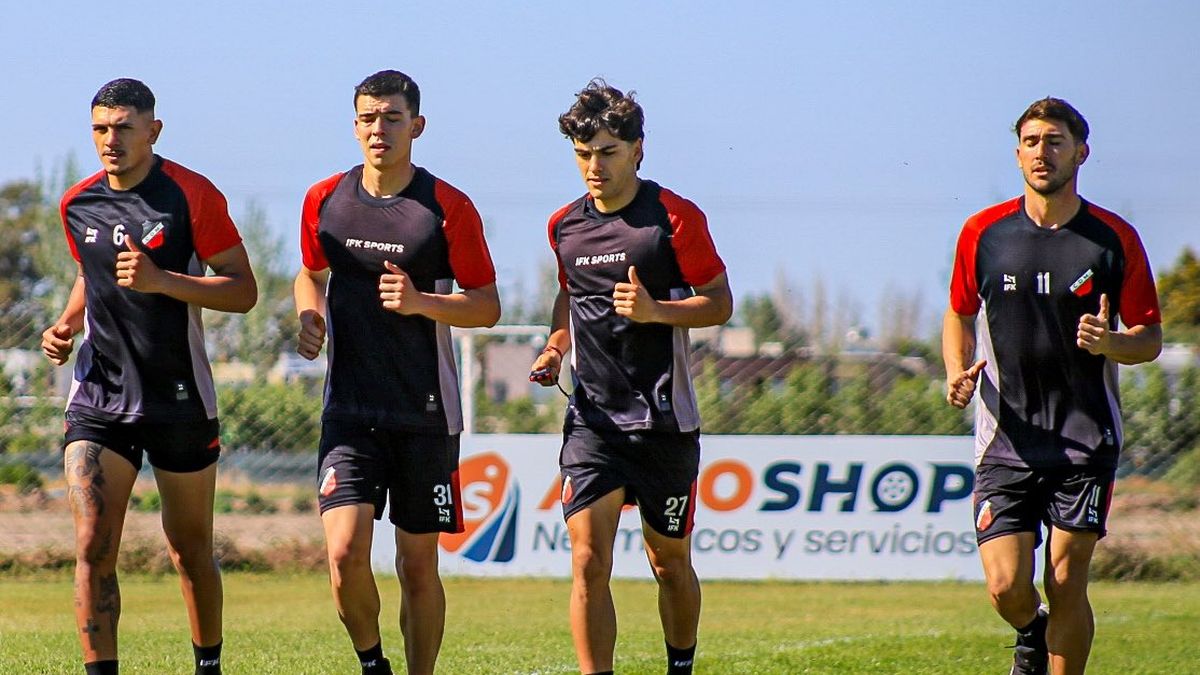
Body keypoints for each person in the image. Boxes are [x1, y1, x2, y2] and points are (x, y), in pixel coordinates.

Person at [41, 78, 257, 675]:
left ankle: (208, 663)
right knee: (92, 545)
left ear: (153, 131)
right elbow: (92, 273)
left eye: (124, 128)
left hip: (178, 397)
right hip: (99, 396)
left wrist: (166, 281)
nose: (110, 141)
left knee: (189, 551)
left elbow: (244, 290)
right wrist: (64, 324)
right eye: (100, 129)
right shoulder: (77, 203)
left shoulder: (190, 197)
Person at [943, 98, 1162, 675]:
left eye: (1056, 140)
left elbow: (1148, 338)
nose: (1044, 152)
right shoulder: (981, 233)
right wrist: (955, 368)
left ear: (1081, 153)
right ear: (1017, 154)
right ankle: (1031, 632)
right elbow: (958, 312)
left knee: (1066, 579)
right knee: (1005, 587)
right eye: (1033, 141)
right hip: (1005, 438)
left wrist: (1110, 342)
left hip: (1084, 438)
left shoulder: (1113, 238)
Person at [293, 69, 500, 675]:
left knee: (416, 568)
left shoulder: (446, 207)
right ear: (354, 125)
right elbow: (310, 271)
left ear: (417, 125)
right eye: (366, 117)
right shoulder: (325, 198)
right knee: (343, 555)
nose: (377, 129)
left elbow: (486, 305)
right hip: (349, 412)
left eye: (390, 117)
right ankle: (372, 662)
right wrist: (310, 315)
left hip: (425, 414)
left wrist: (421, 303)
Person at [530, 79, 732, 675]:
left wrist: (656, 312)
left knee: (667, 561)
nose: (594, 166)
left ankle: (680, 665)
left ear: (638, 149)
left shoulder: (673, 218)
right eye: (583, 153)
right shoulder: (564, 226)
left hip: (663, 420)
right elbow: (570, 297)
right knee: (588, 559)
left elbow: (719, 303)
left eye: (608, 153)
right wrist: (554, 346)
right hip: (591, 422)